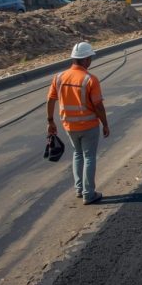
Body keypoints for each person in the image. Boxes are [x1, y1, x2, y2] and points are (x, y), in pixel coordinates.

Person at [47, 42, 109, 205]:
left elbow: (50, 100)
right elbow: (98, 105)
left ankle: (79, 189)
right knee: (89, 157)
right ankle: (89, 194)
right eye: (90, 58)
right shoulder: (90, 79)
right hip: (88, 125)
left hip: (68, 125)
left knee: (77, 154)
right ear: (86, 59)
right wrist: (105, 123)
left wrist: (50, 121)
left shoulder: (59, 77)